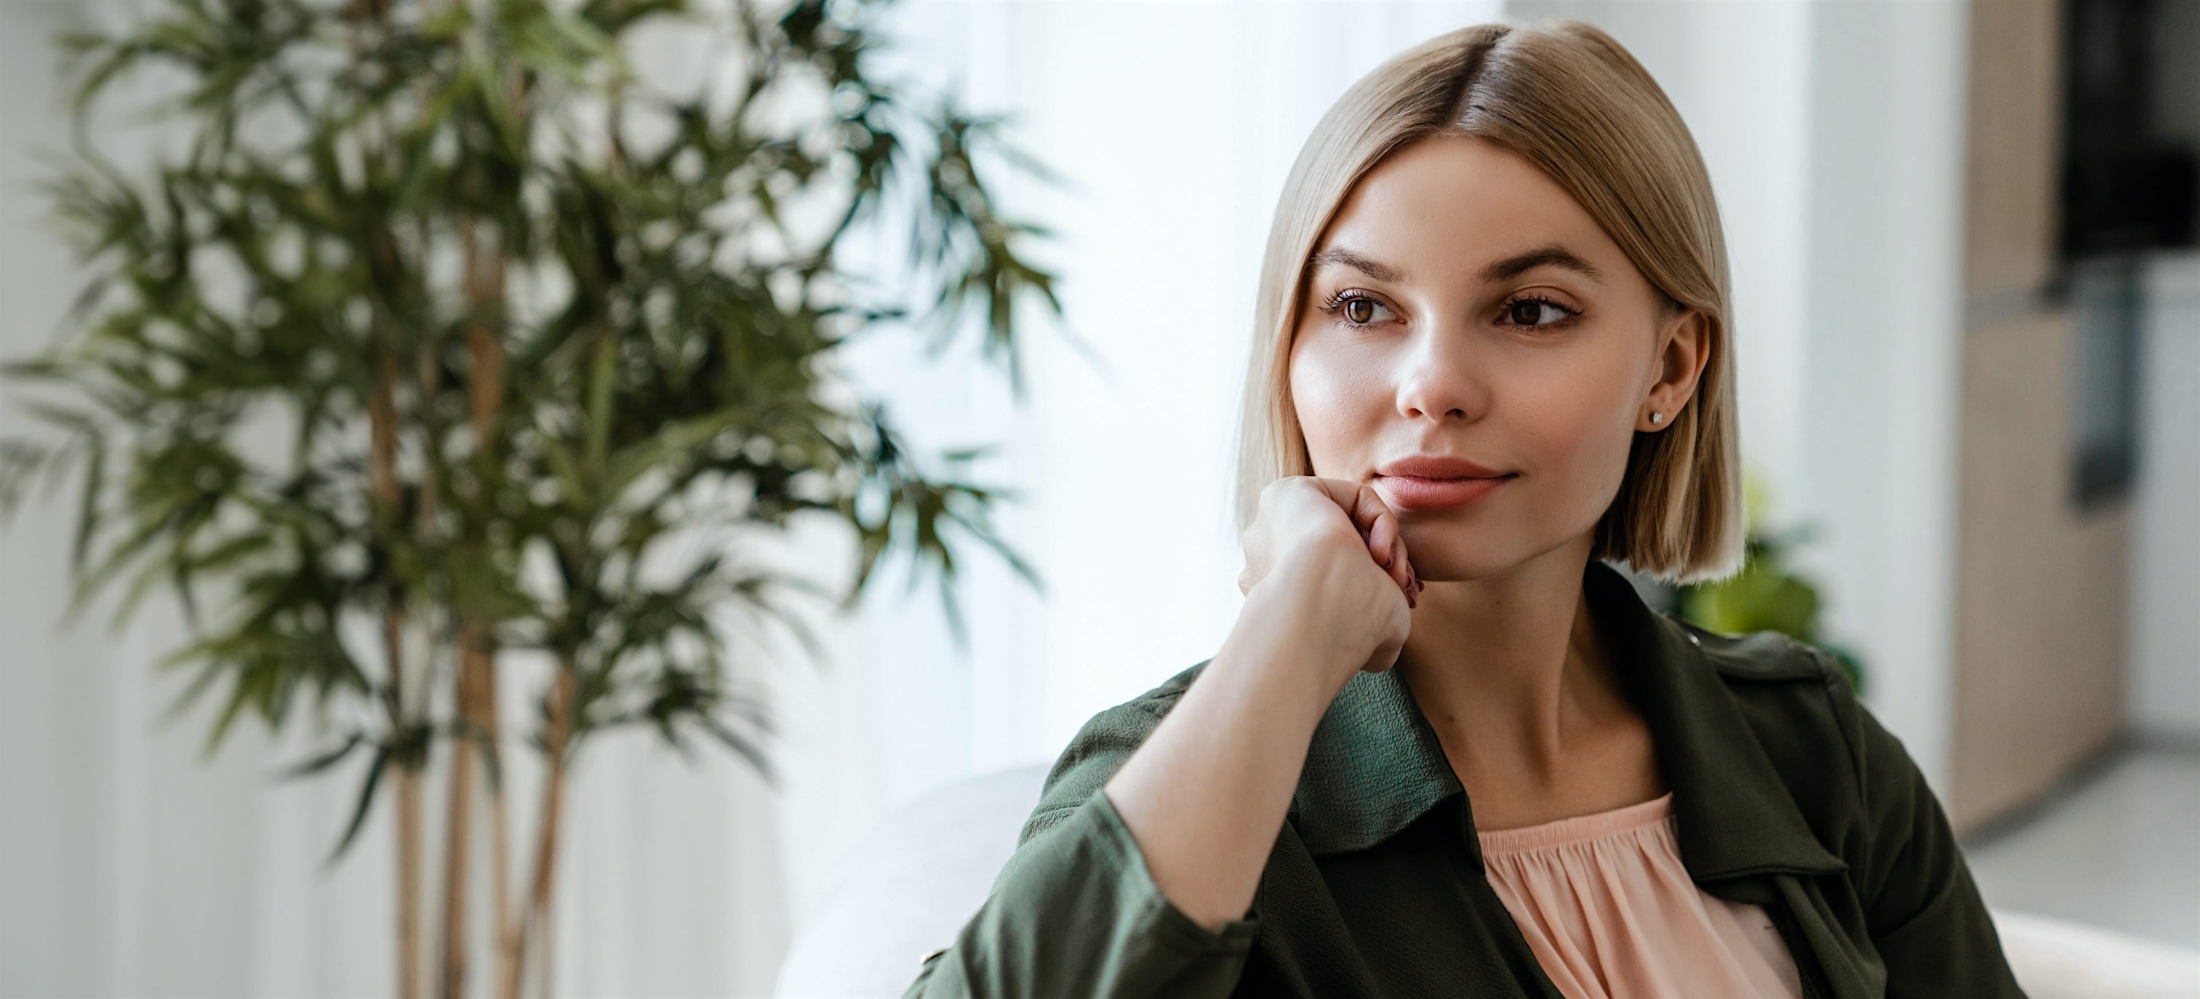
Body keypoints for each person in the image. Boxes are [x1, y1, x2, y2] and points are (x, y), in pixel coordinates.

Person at [903, 19, 2025, 999]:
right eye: (1360, 305)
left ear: (1670, 370)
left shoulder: (1807, 747)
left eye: (1530, 310)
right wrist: (1288, 637)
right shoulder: (1198, 787)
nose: (1430, 383)